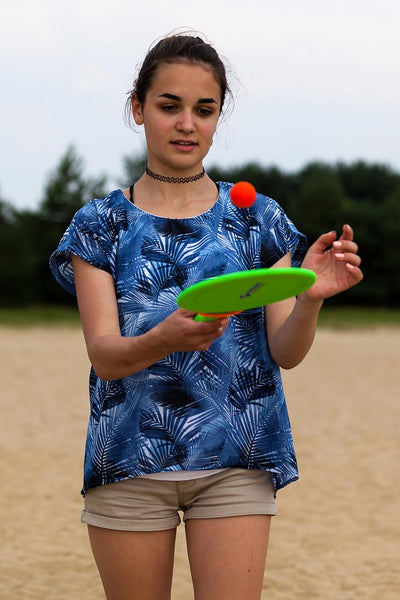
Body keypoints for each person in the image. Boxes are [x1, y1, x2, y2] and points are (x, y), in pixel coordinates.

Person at [50, 32, 363, 600]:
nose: (187, 124)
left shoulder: (258, 219)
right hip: (128, 460)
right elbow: (105, 356)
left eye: (204, 109)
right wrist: (166, 336)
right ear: (137, 108)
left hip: (238, 459)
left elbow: (285, 353)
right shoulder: (100, 224)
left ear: (220, 116)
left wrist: (311, 297)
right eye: (169, 106)